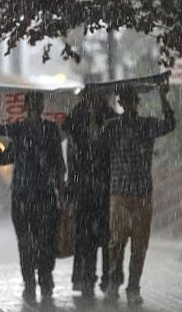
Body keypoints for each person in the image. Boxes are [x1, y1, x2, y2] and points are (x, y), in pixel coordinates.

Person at [0, 90, 66, 303]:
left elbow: (58, 165)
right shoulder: (19, 129)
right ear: (27, 106)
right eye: (32, 104)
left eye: (36, 104)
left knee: (44, 241)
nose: (34, 108)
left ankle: (44, 279)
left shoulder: (50, 130)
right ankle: (31, 282)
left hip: (44, 194)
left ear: (40, 107)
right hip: (23, 195)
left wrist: (62, 190)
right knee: (26, 242)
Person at [102, 84, 176, 305]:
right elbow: (96, 145)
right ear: (121, 103)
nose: (128, 104)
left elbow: (170, 124)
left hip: (142, 192)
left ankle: (133, 286)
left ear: (136, 102)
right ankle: (114, 283)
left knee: (139, 244)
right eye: (124, 100)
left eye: (131, 99)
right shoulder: (111, 126)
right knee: (116, 241)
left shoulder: (147, 125)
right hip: (119, 192)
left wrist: (164, 99)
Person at [63, 90, 118, 298]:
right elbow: (72, 147)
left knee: (106, 237)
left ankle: (107, 278)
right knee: (85, 237)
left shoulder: (110, 116)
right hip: (85, 187)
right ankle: (87, 278)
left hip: (104, 186)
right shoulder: (77, 116)